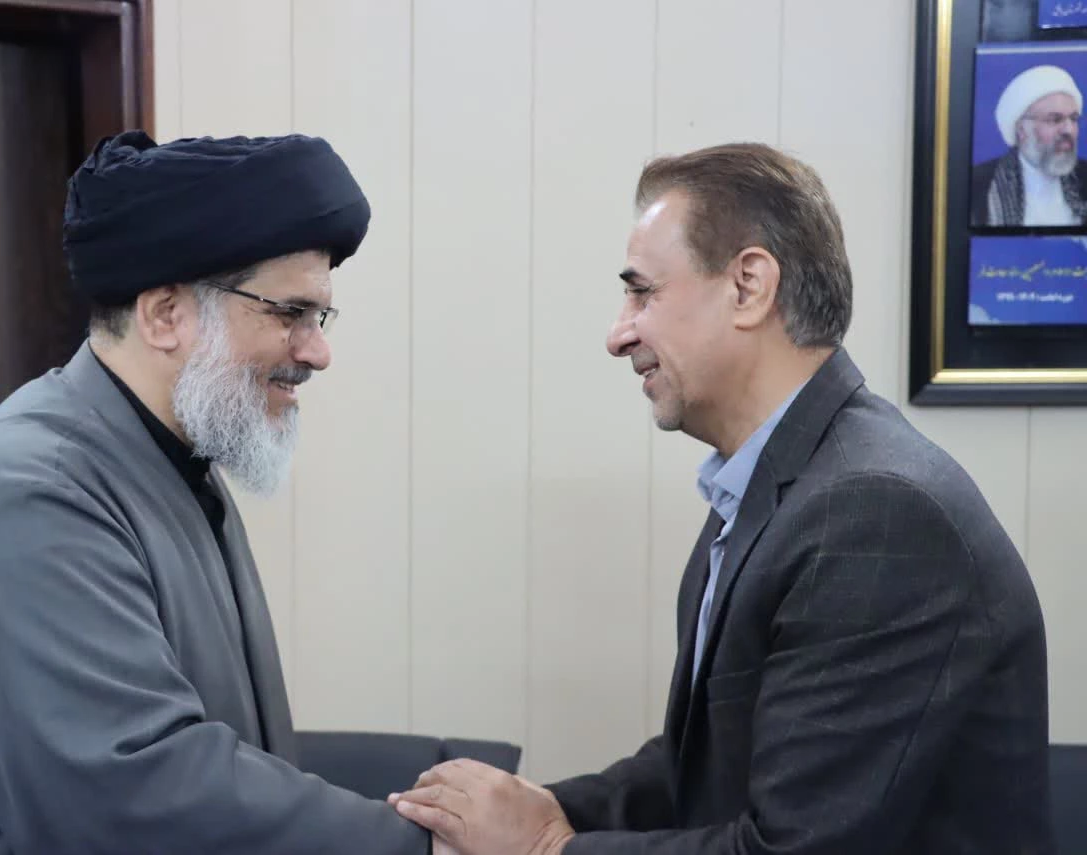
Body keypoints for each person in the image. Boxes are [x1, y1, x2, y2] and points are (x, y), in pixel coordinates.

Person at [390, 143, 1053, 854]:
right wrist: (549, 807)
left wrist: (546, 847)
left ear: (748, 287)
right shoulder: (783, 481)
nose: (619, 333)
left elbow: (791, 847)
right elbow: (708, 765)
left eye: (642, 292)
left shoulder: (874, 512)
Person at [0, 131, 434, 854]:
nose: (317, 350)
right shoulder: (20, 493)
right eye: (288, 313)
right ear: (164, 315)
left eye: (320, 317)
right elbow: (132, 794)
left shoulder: (175, 460)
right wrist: (425, 845)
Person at [972, 63, 1087, 226]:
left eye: (1073, 119)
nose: (1069, 130)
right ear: (1022, 129)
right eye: (1055, 120)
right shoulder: (979, 185)